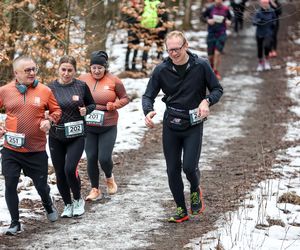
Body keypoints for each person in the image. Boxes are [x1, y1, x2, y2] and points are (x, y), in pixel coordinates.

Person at [142, 31, 223, 223]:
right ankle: (181, 209)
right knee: (172, 169)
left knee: (188, 167)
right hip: (171, 123)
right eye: (170, 50)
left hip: (193, 123)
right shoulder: (162, 69)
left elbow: (217, 89)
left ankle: (195, 189)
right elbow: (148, 95)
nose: (174, 54)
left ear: (186, 46)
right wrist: (148, 111)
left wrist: (207, 101)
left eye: (177, 49)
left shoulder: (201, 65)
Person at [0, 55, 62, 235]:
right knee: (10, 184)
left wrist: (49, 120)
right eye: (27, 70)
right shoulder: (4, 91)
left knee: (41, 186)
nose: (32, 73)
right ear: (16, 73)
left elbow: (56, 110)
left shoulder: (45, 91)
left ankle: (47, 203)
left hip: (36, 149)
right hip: (11, 149)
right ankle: (14, 222)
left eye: (34, 69)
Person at [48, 55, 95, 218]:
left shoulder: (81, 86)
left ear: (75, 71)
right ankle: (67, 204)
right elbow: (42, 108)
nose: (66, 73)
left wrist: (86, 110)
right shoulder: (49, 88)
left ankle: (77, 199)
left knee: (69, 169)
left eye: (70, 70)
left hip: (76, 135)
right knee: (59, 172)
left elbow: (92, 104)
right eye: (63, 69)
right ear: (58, 69)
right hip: (56, 135)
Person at [78, 51, 129, 201]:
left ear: (105, 68)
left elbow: (125, 98)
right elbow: (74, 94)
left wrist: (115, 104)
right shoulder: (82, 79)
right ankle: (95, 189)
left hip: (108, 125)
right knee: (92, 157)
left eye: (100, 68)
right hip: (89, 126)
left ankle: (109, 177)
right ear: (90, 67)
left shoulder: (114, 81)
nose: (96, 71)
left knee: (104, 158)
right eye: (93, 67)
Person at [202, 0, 232, 80]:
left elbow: (230, 18)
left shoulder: (226, 9)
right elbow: (202, 17)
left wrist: (228, 21)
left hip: (221, 33)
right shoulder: (210, 8)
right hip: (211, 33)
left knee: (217, 53)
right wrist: (207, 20)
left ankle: (215, 71)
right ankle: (212, 69)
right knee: (210, 56)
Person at [253, 0, 276, 71]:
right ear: (260, 4)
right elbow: (254, 22)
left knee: (267, 46)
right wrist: (259, 21)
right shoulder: (258, 12)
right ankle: (260, 63)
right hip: (259, 33)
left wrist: (273, 24)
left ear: (268, 4)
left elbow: (275, 20)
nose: (265, 5)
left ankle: (266, 62)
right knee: (260, 48)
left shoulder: (272, 11)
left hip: (268, 33)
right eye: (263, 3)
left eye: (266, 3)